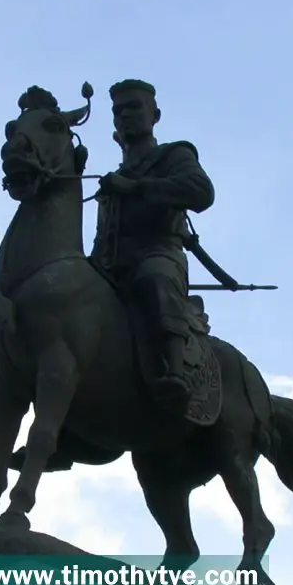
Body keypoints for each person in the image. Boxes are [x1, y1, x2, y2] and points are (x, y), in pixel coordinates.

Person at [89, 79, 215, 412]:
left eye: (134, 107)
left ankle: (174, 372)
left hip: (158, 253)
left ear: (154, 115)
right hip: (110, 267)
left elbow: (201, 191)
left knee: (154, 277)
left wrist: (136, 187)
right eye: (118, 111)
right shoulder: (112, 180)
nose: (125, 115)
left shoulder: (174, 155)